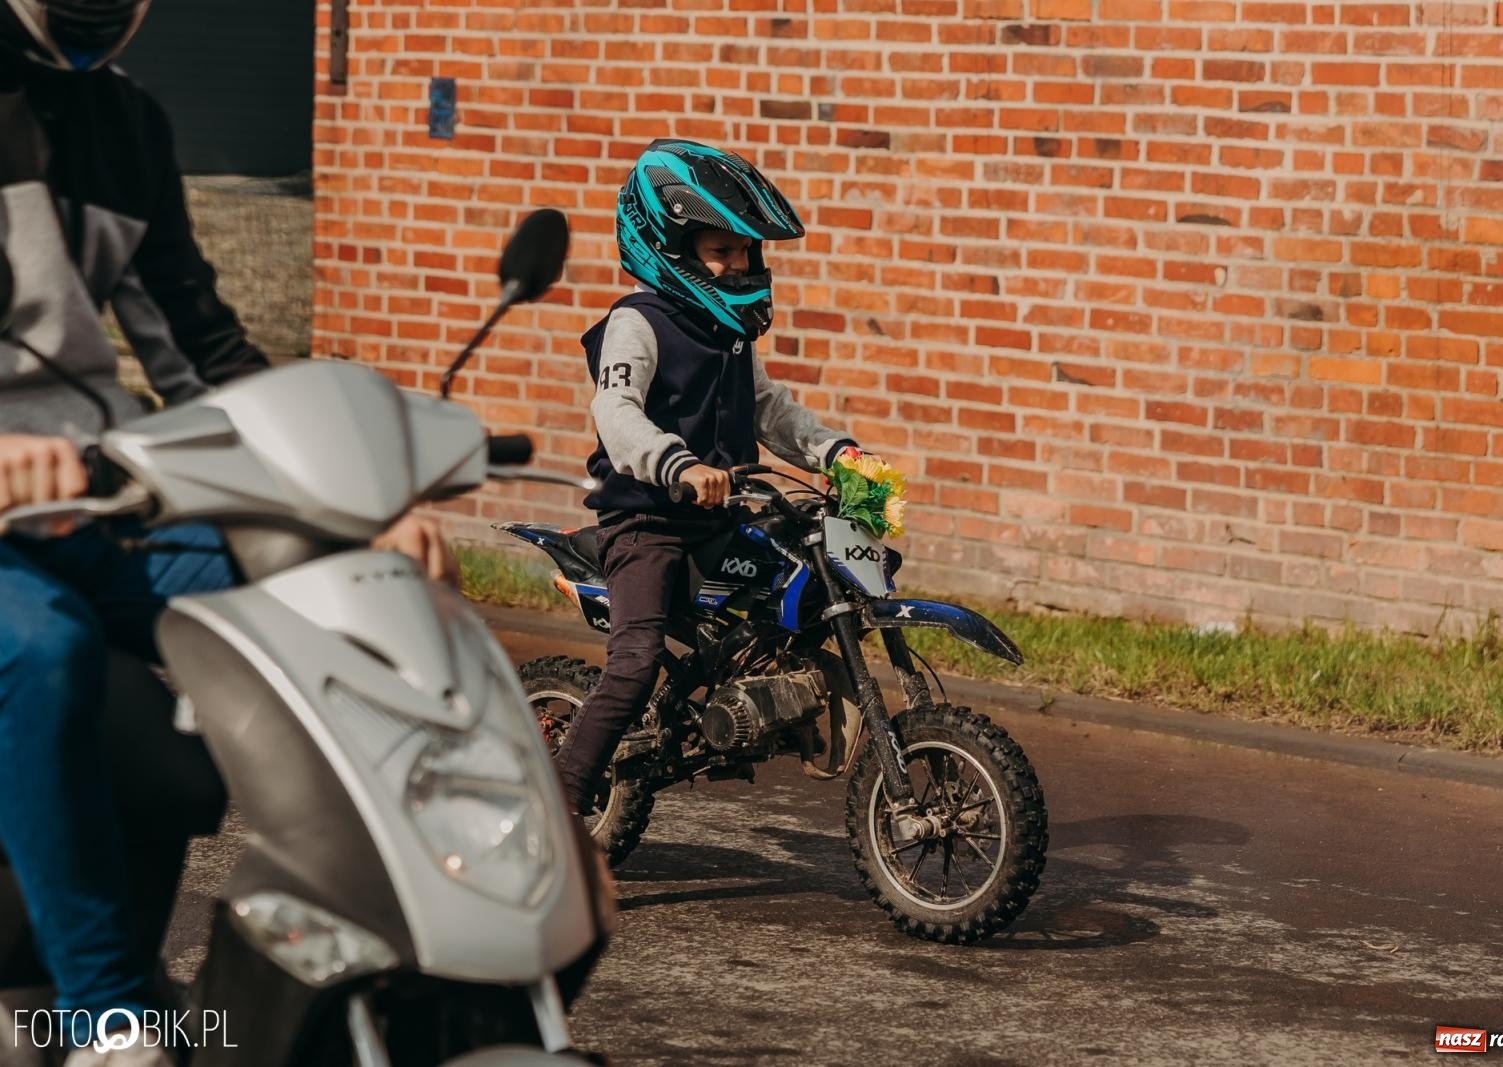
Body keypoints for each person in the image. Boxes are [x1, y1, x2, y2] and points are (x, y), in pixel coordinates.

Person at [0, 3, 452, 1063]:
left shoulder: (128, 123)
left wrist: (359, 500)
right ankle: (107, 1016)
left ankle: (417, 952)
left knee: (347, 602)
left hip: (101, 501)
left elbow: (199, 351)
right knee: (42, 647)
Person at [557, 138, 868, 815]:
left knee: (795, 590)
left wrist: (836, 451)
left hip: (719, 518)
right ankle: (558, 805)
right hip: (647, 523)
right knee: (635, 660)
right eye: (720, 251)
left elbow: (769, 409)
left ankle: (758, 705)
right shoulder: (638, 322)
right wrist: (679, 464)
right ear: (670, 248)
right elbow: (614, 408)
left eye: (746, 252)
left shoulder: (729, 336)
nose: (739, 264)